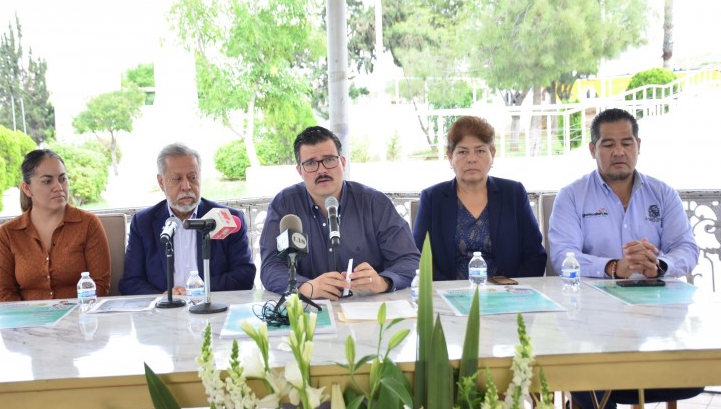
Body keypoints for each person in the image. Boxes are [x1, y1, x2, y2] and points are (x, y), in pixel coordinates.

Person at [547, 107, 702, 409]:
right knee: (574, 359)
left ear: (638, 146)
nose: (619, 151)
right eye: (608, 144)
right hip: (589, 313)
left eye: (626, 143)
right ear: (593, 149)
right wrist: (614, 267)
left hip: (654, 312)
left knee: (692, 375)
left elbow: (687, 248)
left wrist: (658, 265)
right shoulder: (572, 196)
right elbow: (563, 256)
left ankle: (585, 398)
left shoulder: (662, 194)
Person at [0, 148, 111, 409]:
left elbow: (100, 285)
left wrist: (63, 324)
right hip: (27, 335)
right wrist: (35, 328)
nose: (59, 187)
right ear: (27, 188)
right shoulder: (9, 234)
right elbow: (4, 295)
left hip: (80, 332)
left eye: (62, 178)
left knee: (58, 367)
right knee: (6, 377)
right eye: (47, 181)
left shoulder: (87, 224)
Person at [259, 125, 420, 300]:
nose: (322, 170)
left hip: (367, 306)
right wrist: (305, 287)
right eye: (311, 163)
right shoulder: (284, 205)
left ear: (342, 162)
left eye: (329, 160)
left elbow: (409, 259)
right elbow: (271, 267)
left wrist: (383, 281)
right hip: (309, 306)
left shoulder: (374, 203)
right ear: (300, 171)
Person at [412, 116, 547, 280]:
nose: (471, 158)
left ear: (492, 155)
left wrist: (512, 287)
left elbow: (534, 255)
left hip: (508, 291)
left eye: (480, 151)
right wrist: (448, 290)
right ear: (450, 157)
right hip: (448, 291)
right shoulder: (432, 198)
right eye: (462, 152)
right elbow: (418, 257)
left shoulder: (513, 193)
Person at [119, 142, 256, 296]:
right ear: (161, 182)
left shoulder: (228, 218)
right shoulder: (143, 223)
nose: (186, 186)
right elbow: (130, 282)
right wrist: (164, 296)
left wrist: (199, 290)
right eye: (177, 179)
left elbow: (245, 276)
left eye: (192, 177)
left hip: (212, 306)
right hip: (164, 308)